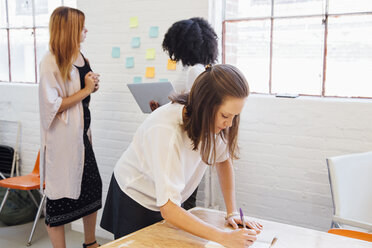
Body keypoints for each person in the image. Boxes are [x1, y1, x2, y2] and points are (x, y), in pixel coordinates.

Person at [101, 64, 263, 248]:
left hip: (168, 202)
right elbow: (169, 210)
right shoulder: (166, 131)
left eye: (235, 116)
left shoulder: (212, 122)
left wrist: (232, 212)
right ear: (205, 106)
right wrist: (224, 238)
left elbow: (223, 161)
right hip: (136, 197)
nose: (229, 124)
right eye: (225, 115)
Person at [39, 6, 102, 248]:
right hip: (63, 141)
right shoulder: (50, 61)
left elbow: (80, 96)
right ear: (69, 30)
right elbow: (52, 106)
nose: (86, 30)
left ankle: (90, 243)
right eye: (81, 26)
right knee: (59, 198)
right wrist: (85, 90)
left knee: (92, 187)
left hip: (82, 136)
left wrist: (91, 88)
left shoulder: (81, 57)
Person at [149, 17, 219, 209]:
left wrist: (164, 111)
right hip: (190, 143)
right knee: (185, 197)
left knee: (181, 200)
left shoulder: (194, 72)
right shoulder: (206, 69)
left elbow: (194, 112)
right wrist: (164, 110)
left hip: (184, 143)